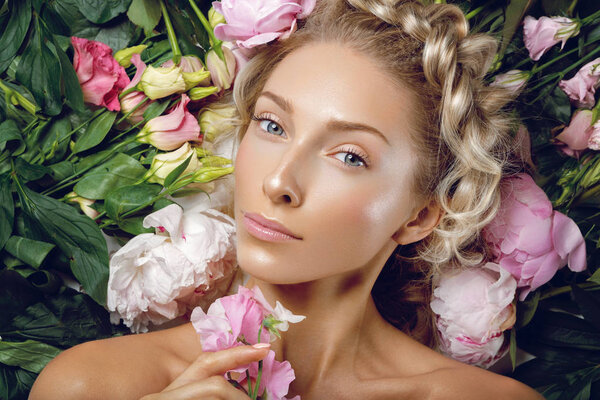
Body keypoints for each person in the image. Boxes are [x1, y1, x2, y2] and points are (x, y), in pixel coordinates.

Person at [29, 0, 544, 398]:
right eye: (272, 125)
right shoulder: (96, 386)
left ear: (421, 215)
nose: (279, 182)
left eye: (348, 156)